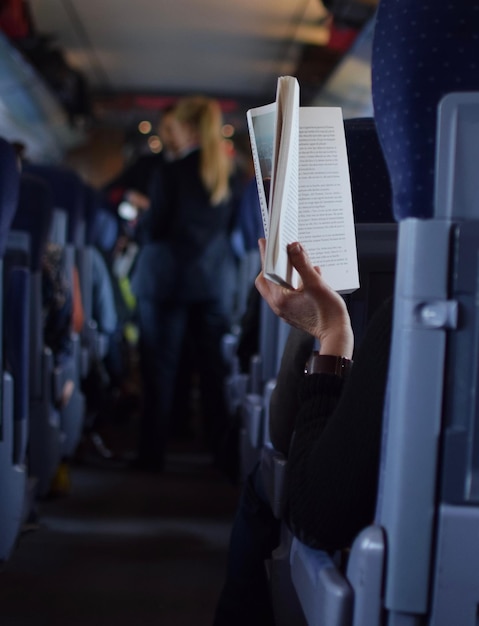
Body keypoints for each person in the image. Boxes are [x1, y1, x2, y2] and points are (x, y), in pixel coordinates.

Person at [130, 95, 236, 471]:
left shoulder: (169, 174)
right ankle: (223, 458)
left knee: (160, 372)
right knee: (213, 374)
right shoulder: (225, 174)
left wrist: (139, 218)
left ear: (187, 128)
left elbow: (153, 229)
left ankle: (152, 456)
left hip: (165, 282)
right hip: (212, 283)